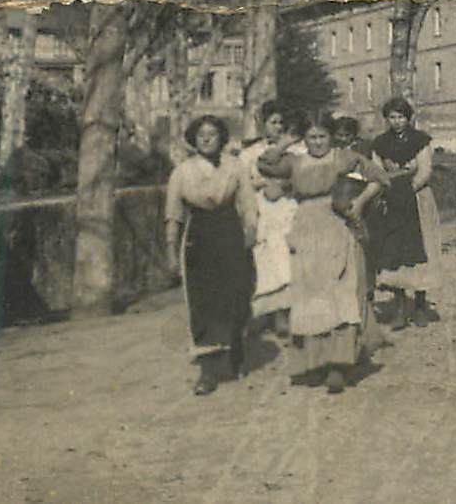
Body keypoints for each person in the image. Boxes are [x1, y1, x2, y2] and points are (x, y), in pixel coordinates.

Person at [259, 113, 390, 394]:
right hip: (304, 228)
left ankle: (339, 366)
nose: (317, 142)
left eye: (322, 137)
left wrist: (359, 202)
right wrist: (286, 141)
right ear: (304, 139)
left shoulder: (341, 158)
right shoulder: (294, 162)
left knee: (339, 294)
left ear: (331, 137)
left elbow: (379, 177)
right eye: (311, 137)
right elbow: (265, 164)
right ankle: (315, 362)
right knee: (309, 295)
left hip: (335, 227)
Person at [164, 115, 256, 396]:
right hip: (199, 236)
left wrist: (251, 231)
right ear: (193, 139)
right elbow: (173, 214)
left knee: (237, 294)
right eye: (201, 134)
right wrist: (170, 249)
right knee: (203, 299)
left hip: (230, 232)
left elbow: (248, 203)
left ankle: (235, 345)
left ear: (221, 138)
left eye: (212, 134)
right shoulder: (182, 172)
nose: (206, 138)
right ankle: (208, 369)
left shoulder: (235, 166)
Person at [367, 97, 443, 329]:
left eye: (401, 117)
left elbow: (424, 170)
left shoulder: (420, 140)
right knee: (396, 251)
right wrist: (392, 183)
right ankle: (399, 306)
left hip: (417, 199)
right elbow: (377, 171)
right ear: (387, 119)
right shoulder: (380, 143)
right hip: (392, 200)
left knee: (421, 248)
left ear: (408, 118)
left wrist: (407, 187)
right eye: (392, 117)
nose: (397, 121)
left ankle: (419, 305)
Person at [237, 100, 300, 336]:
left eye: (281, 123)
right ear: (262, 124)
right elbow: (242, 186)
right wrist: (261, 184)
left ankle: (286, 314)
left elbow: (305, 176)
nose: (278, 127)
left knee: (286, 259)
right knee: (265, 261)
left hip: (286, 209)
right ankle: (268, 314)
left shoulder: (295, 150)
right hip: (262, 211)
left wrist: (284, 185)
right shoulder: (249, 154)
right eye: (273, 122)